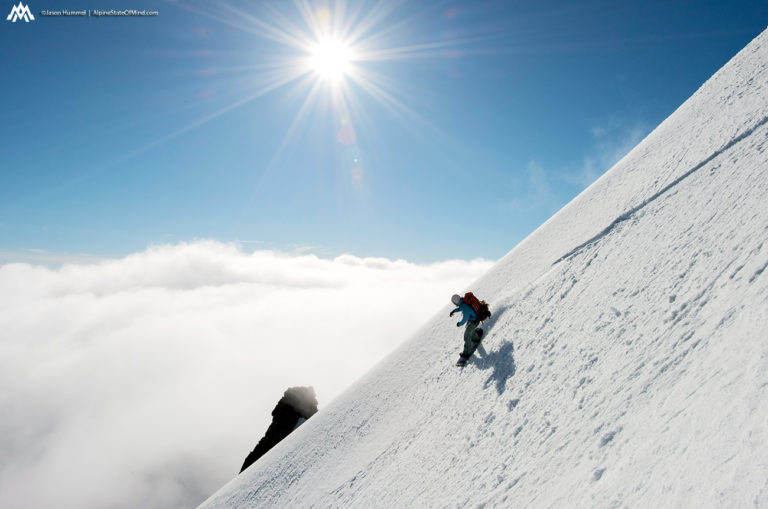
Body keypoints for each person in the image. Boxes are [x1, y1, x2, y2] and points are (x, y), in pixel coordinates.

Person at [450, 293, 484, 363]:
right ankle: (476, 338)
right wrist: (454, 311)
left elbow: (465, 318)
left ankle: (466, 353)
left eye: (454, 302)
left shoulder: (464, 306)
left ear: (456, 301)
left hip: (474, 321)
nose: (454, 304)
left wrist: (459, 324)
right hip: (474, 320)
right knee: (469, 331)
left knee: (467, 336)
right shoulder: (463, 302)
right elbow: (461, 308)